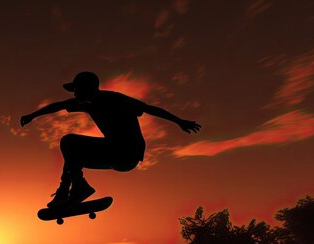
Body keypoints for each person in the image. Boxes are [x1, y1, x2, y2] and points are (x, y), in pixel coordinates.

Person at [21, 71, 201, 208]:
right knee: (72, 155)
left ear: (87, 88)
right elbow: (59, 105)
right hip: (116, 156)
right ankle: (66, 192)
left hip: (126, 152)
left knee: (69, 142)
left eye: (76, 89)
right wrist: (33, 115)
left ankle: (78, 188)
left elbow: (148, 108)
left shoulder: (114, 99)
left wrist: (179, 121)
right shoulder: (88, 103)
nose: (74, 94)